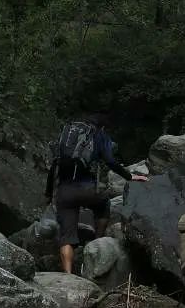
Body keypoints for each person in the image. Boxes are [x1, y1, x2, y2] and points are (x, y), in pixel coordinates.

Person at [45, 113, 148, 273]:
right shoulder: (100, 136)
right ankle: (96, 243)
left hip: (64, 191)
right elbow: (110, 161)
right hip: (87, 190)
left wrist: (48, 193)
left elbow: (55, 165)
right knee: (104, 205)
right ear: (103, 126)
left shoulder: (68, 136)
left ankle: (68, 276)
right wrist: (130, 176)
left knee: (67, 237)